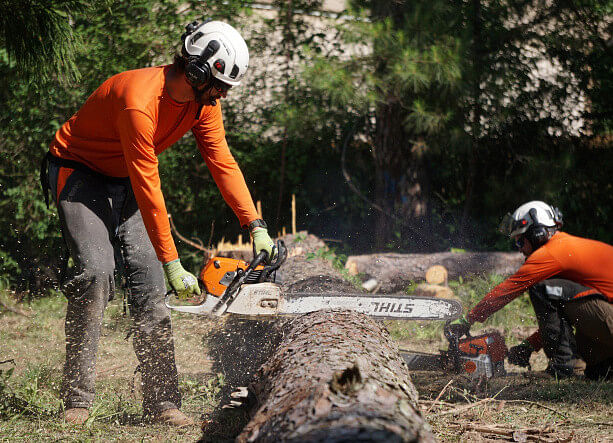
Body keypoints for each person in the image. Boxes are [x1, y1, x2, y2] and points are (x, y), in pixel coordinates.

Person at [40, 20, 276, 426]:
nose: (222, 95)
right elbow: (149, 183)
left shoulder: (203, 106)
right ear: (198, 71)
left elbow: (221, 162)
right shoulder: (139, 99)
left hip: (127, 177)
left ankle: (163, 403)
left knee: (150, 284)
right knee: (97, 273)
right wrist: (174, 261)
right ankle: (76, 400)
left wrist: (254, 223)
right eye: (219, 85)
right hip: (79, 172)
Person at [449, 201, 613, 380]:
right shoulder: (565, 249)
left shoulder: (550, 253)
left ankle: (564, 370)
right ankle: (592, 369)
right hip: (606, 318)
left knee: (540, 288)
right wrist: (530, 345)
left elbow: (508, 290)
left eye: (520, 241)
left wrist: (468, 319)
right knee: (598, 375)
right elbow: (564, 317)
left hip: (607, 319)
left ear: (537, 235)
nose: (519, 249)